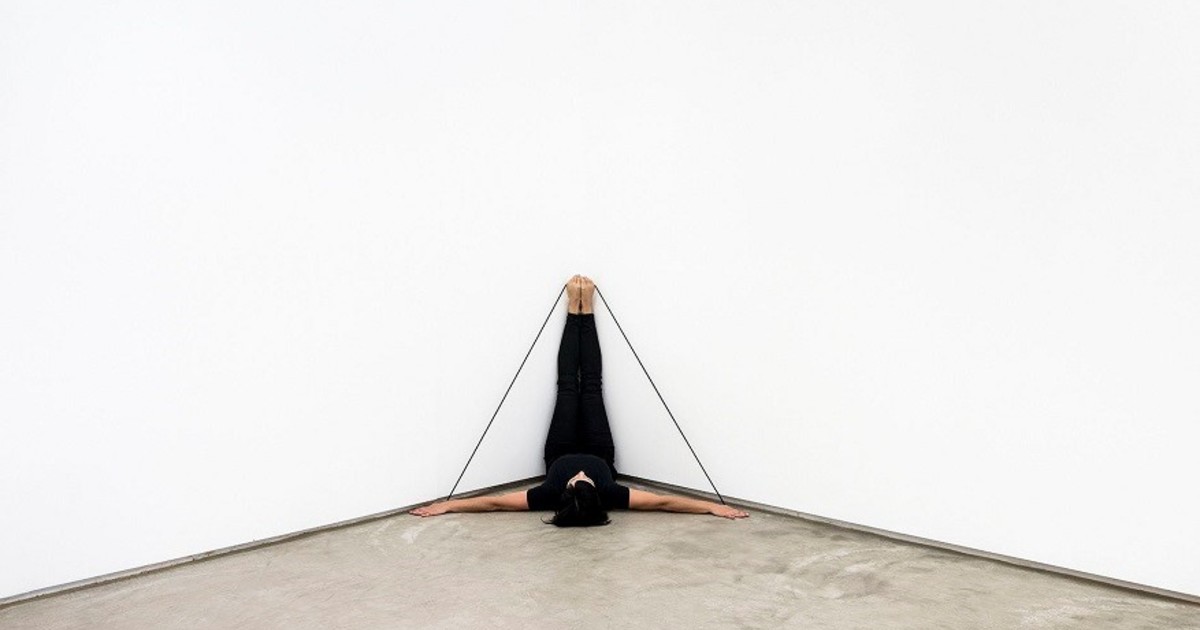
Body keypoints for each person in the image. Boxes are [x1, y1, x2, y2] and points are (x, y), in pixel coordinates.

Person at [410, 275, 749, 526]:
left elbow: (493, 504)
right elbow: (664, 502)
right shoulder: (612, 494)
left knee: (567, 388)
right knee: (592, 388)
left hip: (559, 448)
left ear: (567, 490)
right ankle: (588, 313)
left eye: (576, 480)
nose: (582, 473)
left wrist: (448, 505)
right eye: (587, 480)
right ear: (596, 492)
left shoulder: (547, 495)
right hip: (600, 448)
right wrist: (711, 507)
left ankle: (575, 310)